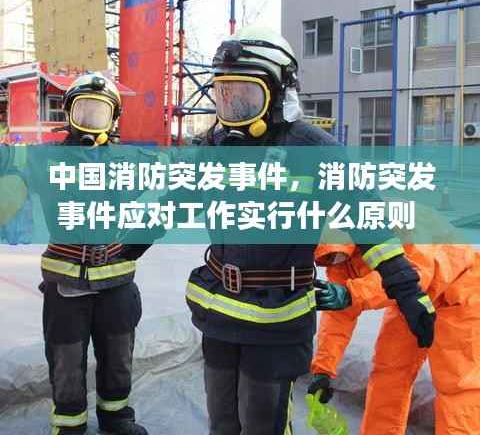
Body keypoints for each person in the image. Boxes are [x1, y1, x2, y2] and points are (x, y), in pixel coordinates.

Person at [185, 25, 437, 435]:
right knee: (222, 423)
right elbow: (168, 204)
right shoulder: (211, 148)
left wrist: (407, 289)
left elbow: (369, 223)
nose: (234, 107)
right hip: (218, 316)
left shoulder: (315, 150)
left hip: (276, 323)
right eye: (225, 94)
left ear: (279, 94)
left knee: (263, 425)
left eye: (247, 95)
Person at [36, 73, 156, 435]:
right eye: (83, 110)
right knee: (66, 358)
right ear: (69, 114)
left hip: (117, 282)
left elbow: (169, 203)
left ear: (113, 118)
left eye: (99, 112)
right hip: (65, 284)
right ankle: (69, 424)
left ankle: (116, 418)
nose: (90, 119)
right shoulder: (44, 160)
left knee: (118, 356)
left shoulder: (132, 163)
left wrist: (138, 242)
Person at [310, 238, 480, 435]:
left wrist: (352, 293)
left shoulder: (397, 227)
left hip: (460, 291)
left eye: (335, 253)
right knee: (388, 373)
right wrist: (323, 369)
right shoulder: (339, 263)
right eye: (327, 257)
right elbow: (338, 316)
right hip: (410, 302)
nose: (334, 260)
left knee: (457, 386)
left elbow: (416, 271)